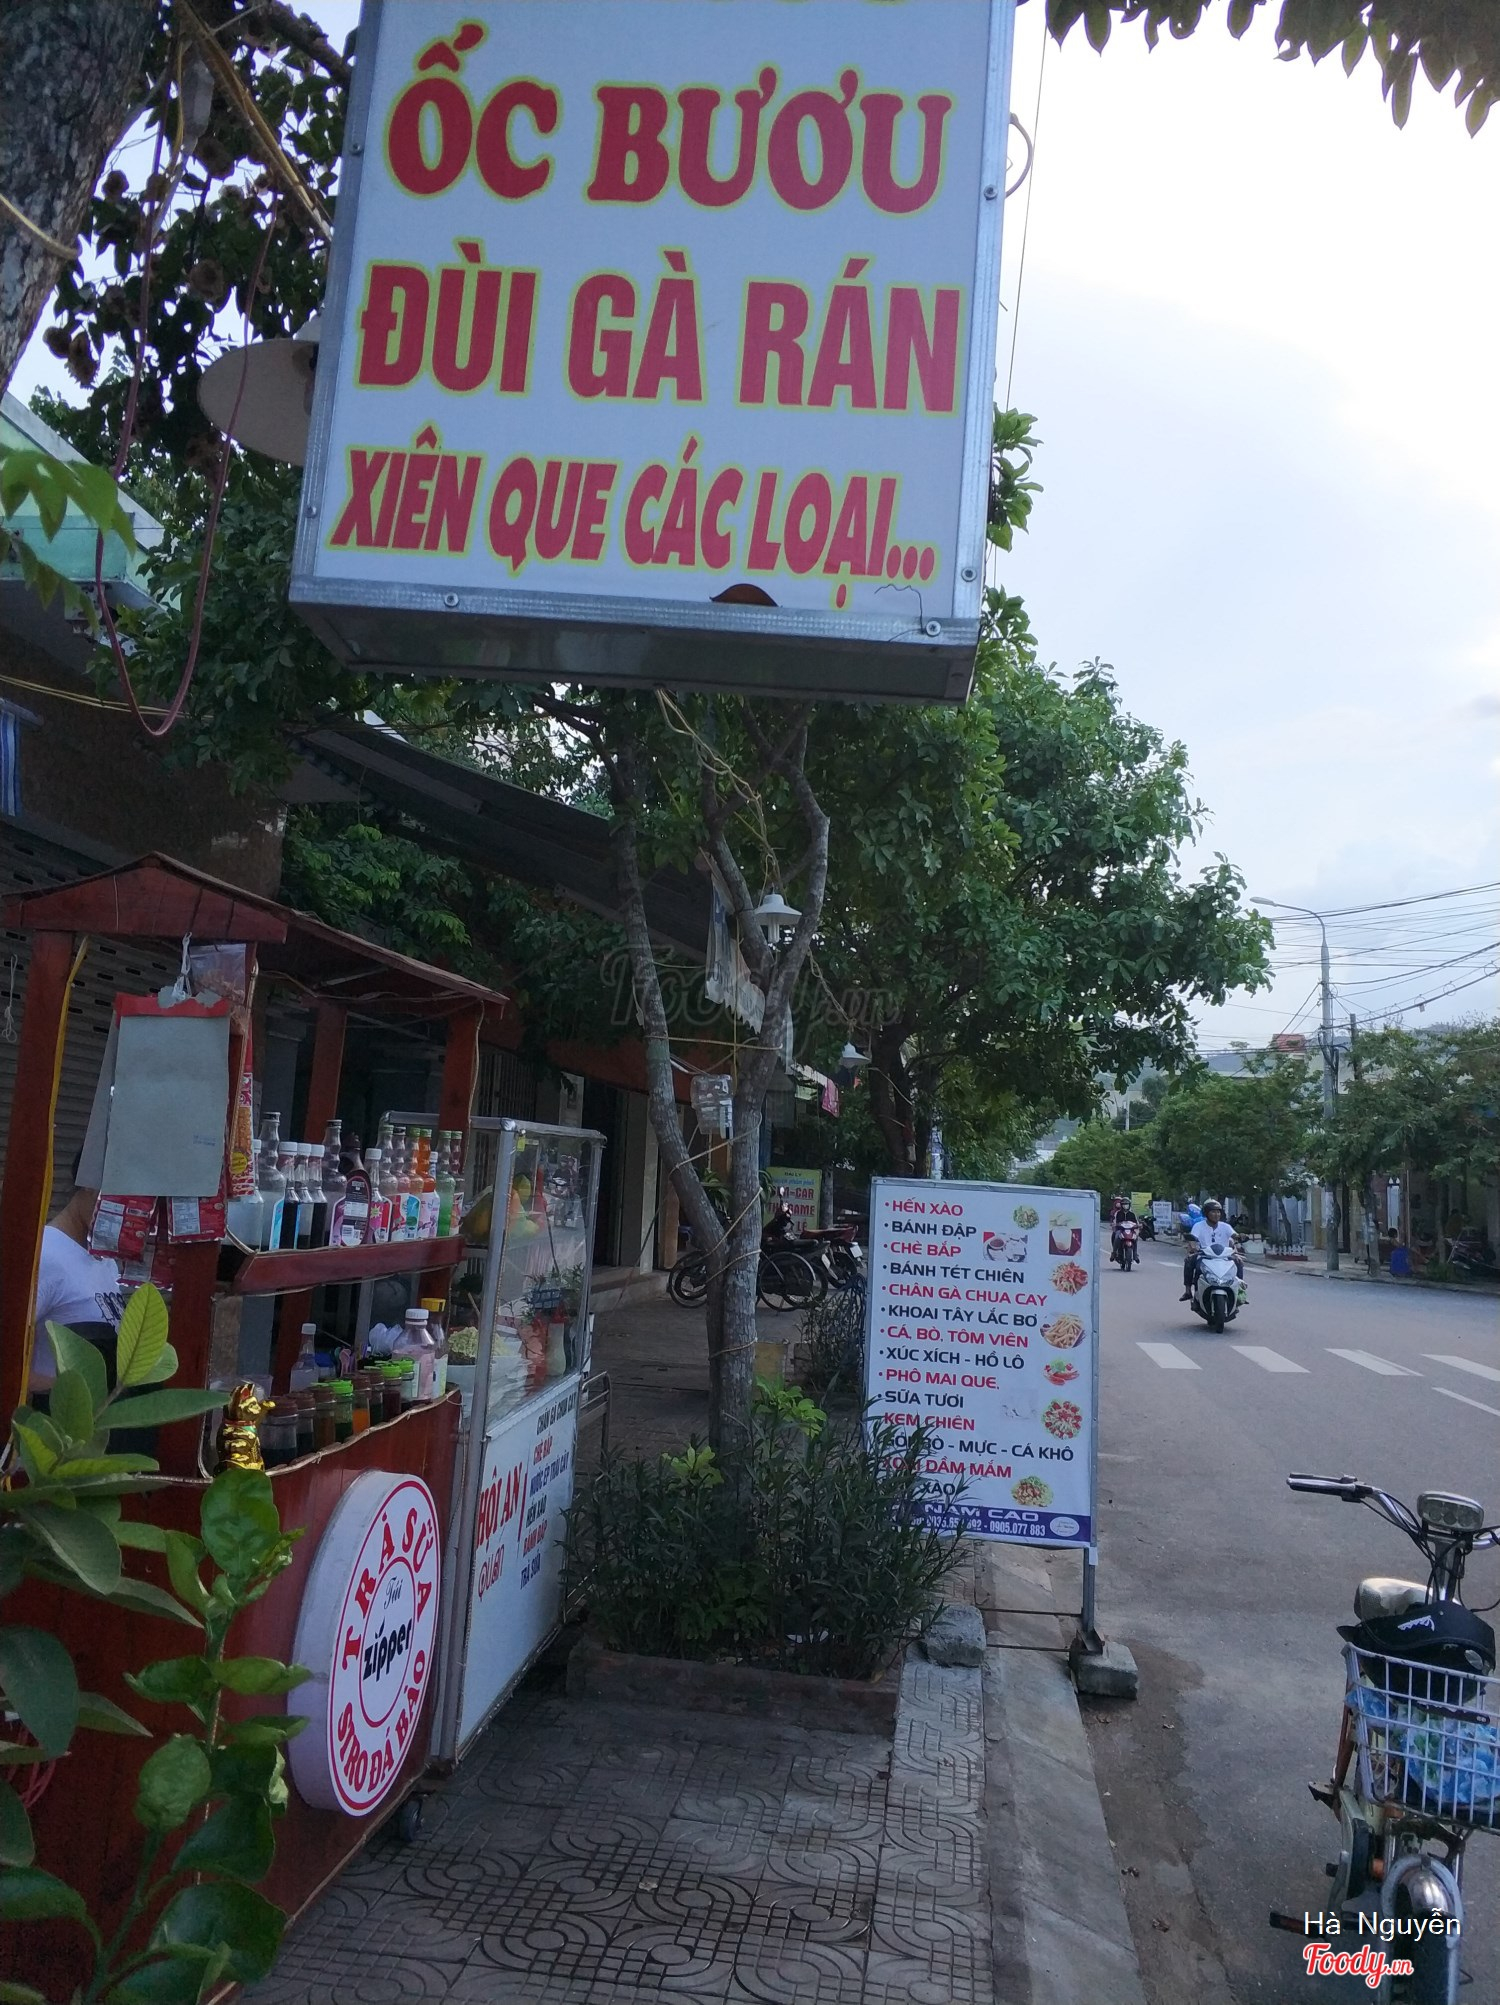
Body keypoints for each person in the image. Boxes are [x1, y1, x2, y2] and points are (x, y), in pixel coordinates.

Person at [31, 1168, 123, 1393]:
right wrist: (71, 1392)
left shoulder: (106, 1262)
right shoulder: (45, 1254)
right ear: (89, 1184)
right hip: (55, 1413)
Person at [1181, 1199, 1239, 1301]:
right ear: (1206, 1213)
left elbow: (1234, 1235)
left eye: (1218, 1212)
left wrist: (1240, 1237)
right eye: (1213, 1212)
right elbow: (1192, 1239)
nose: (1216, 1214)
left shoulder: (1225, 1226)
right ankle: (1188, 1291)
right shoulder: (1198, 1226)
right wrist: (1193, 1248)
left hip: (1224, 1257)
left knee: (1238, 1263)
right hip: (1204, 1256)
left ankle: (1239, 1291)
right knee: (1189, 1261)